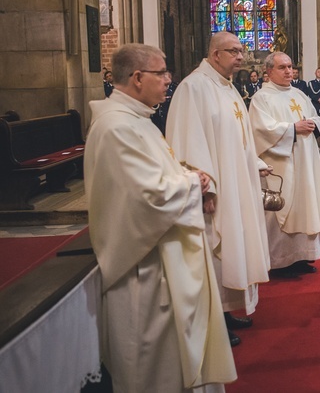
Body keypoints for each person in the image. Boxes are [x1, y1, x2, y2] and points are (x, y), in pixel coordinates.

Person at [85, 43, 236, 391]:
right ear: (137, 78)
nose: (169, 79)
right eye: (162, 72)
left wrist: (186, 174)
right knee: (156, 366)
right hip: (145, 270)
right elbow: (148, 197)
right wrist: (192, 182)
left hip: (161, 260)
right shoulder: (116, 128)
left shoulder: (138, 120)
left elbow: (158, 174)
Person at [166, 32, 271, 347]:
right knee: (215, 250)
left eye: (241, 51)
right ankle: (214, 320)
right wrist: (205, 188)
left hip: (236, 183)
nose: (241, 57)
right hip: (215, 189)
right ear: (215, 54)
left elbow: (238, 137)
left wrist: (253, 163)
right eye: (234, 51)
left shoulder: (226, 88)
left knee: (232, 248)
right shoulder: (193, 88)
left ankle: (226, 310)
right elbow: (186, 141)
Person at [248, 52, 320, 277]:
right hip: (282, 163)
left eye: (290, 67)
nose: (288, 71)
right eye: (282, 67)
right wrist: (293, 129)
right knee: (283, 208)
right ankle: (279, 261)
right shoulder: (261, 98)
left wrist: (311, 124)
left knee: (306, 204)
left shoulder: (299, 94)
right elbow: (260, 130)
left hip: (306, 161)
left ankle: (302, 255)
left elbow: (314, 116)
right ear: (268, 72)